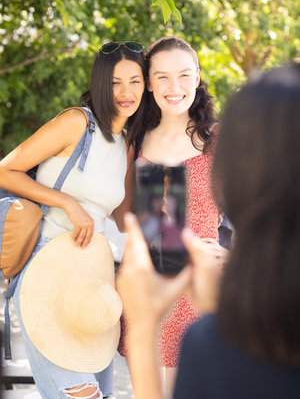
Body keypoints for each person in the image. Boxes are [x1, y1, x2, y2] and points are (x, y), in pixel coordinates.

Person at [116, 62, 300, 399]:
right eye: (163, 75)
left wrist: (142, 331)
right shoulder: (138, 139)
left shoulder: (221, 343)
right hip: (177, 279)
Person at [0, 41, 146, 399]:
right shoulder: (77, 122)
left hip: (92, 281)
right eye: (115, 82)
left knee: (103, 394)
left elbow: (126, 218)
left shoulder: (126, 143)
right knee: (81, 394)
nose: (126, 92)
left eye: (135, 81)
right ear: (100, 82)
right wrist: (66, 201)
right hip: (46, 266)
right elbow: (6, 170)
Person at [118, 36, 227, 395]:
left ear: (197, 77)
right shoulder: (138, 141)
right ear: (149, 84)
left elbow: (266, 208)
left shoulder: (217, 139)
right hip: (151, 289)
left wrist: (236, 254)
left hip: (202, 291)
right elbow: (125, 218)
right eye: (162, 77)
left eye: (183, 75)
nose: (174, 87)